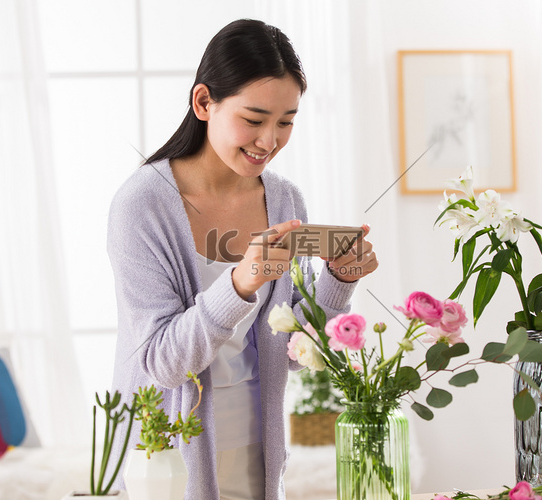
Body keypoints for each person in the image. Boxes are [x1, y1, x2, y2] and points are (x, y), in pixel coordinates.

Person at [106, 19, 378, 500]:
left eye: (286, 121)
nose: (269, 140)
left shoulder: (285, 199)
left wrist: (338, 280)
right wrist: (239, 284)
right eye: (254, 120)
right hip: (167, 461)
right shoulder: (142, 205)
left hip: (257, 452)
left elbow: (292, 350)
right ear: (204, 102)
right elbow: (162, 362)